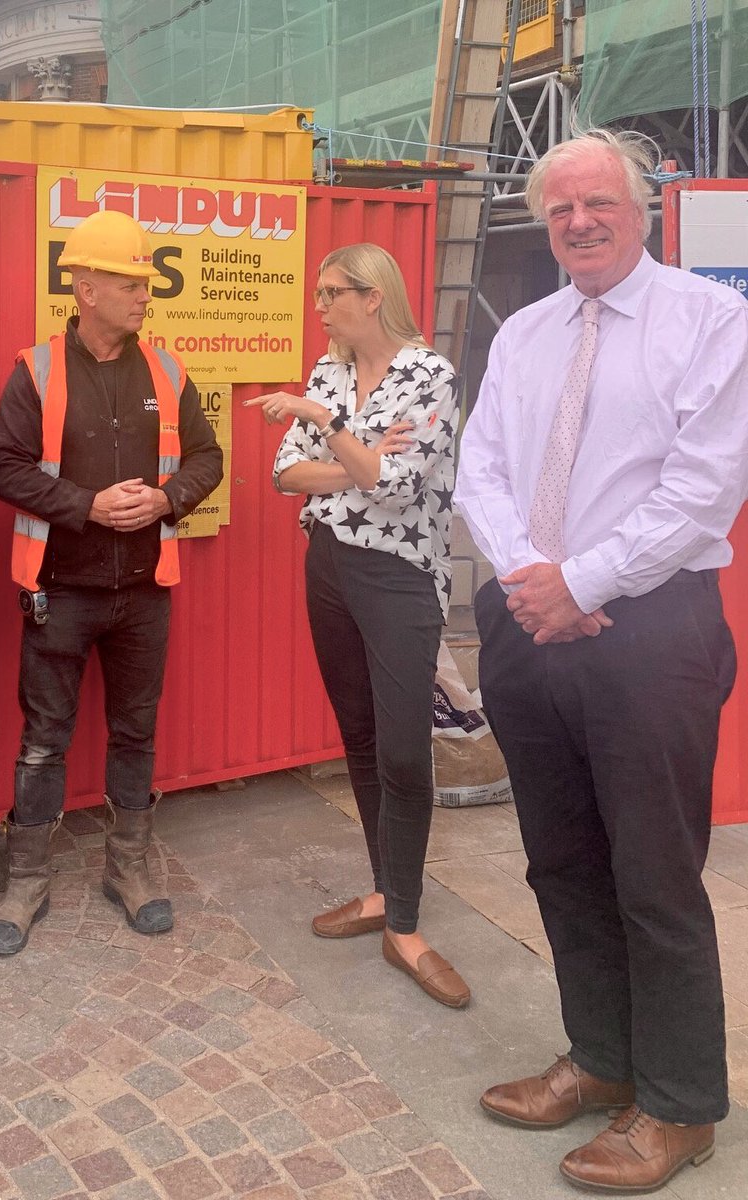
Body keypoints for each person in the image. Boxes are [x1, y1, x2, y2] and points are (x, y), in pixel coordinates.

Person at [456, 128, 748, 1193]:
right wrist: (538, 578)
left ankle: (678, 1106)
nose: (579, 222)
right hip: (532, 626)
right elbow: (480, 464)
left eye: (599, 204)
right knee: (560, 859)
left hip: (651, 630)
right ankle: (601, 1056)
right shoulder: (528, 334)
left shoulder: (714, 323)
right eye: (561, 209)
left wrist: (583, 583)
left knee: (654, 874)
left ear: (643, 209)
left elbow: (702, 490)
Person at [0, 209, 222, 956]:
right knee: (44, 741)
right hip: (61, 591)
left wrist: (168, 497)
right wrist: (85, 506)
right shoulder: (38, 370)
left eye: (145, 282)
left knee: (135, 732)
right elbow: (3, 467)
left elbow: (208, 459)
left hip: (145, 591)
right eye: (130, 281)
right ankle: (26, 881)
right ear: (85, 287)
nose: (144, 294)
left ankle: (131, 870)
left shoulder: (166, 371)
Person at [246, 243, 466, 1008]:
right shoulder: (330, 367)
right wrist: (356, 453)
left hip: (400, 577)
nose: (319, 305)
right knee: (361, 737)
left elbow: (399, 489)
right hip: (331, 565)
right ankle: (383, 893)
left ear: (372, 295)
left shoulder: (428, 374)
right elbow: (285, 473)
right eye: (316, 293)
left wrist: (328, 425)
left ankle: (405, 926)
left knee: (406, 748)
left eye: (330, 292)